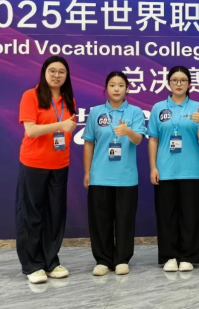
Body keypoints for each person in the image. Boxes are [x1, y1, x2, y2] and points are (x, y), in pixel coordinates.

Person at [16, 56, 77, 284]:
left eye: (61, 72)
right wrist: (60, 125)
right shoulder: (30, 96)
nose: (56, 75)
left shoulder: (68, 99)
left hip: (60, 164)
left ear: (67, 76)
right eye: (52, 71)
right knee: (32, 215)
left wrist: (64, 129)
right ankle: (32, 264)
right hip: (34, 163)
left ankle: (51, 261)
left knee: (55, 215)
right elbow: (31, 131)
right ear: (44, 72)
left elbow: (68, 130)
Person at [83, 71, 146, 276]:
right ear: (106, 88)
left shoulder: (135, 112)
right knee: (100, 220)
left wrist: (127, 132)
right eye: (112, 85)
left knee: (125, 219)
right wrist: (87, 171)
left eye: (120, 85)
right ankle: (103, 259)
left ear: (127, 88)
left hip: (126, 176)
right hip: (100, 175)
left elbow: (138, 140)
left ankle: (122, 259)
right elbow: (89, 143)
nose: (116, 89)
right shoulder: (96, 112)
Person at [147, 66, 199, 272]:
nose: (179, 84)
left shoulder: (197, 107)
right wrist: (153, 167)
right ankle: (169, 256)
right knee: (167, 215)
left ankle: (188, 256)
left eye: (183, 80)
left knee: (190, 215)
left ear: (189, 84)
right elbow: (153, 139)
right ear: (169, 83)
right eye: (175, 80)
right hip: (165, 169)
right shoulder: (158, 108)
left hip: (190, 169)